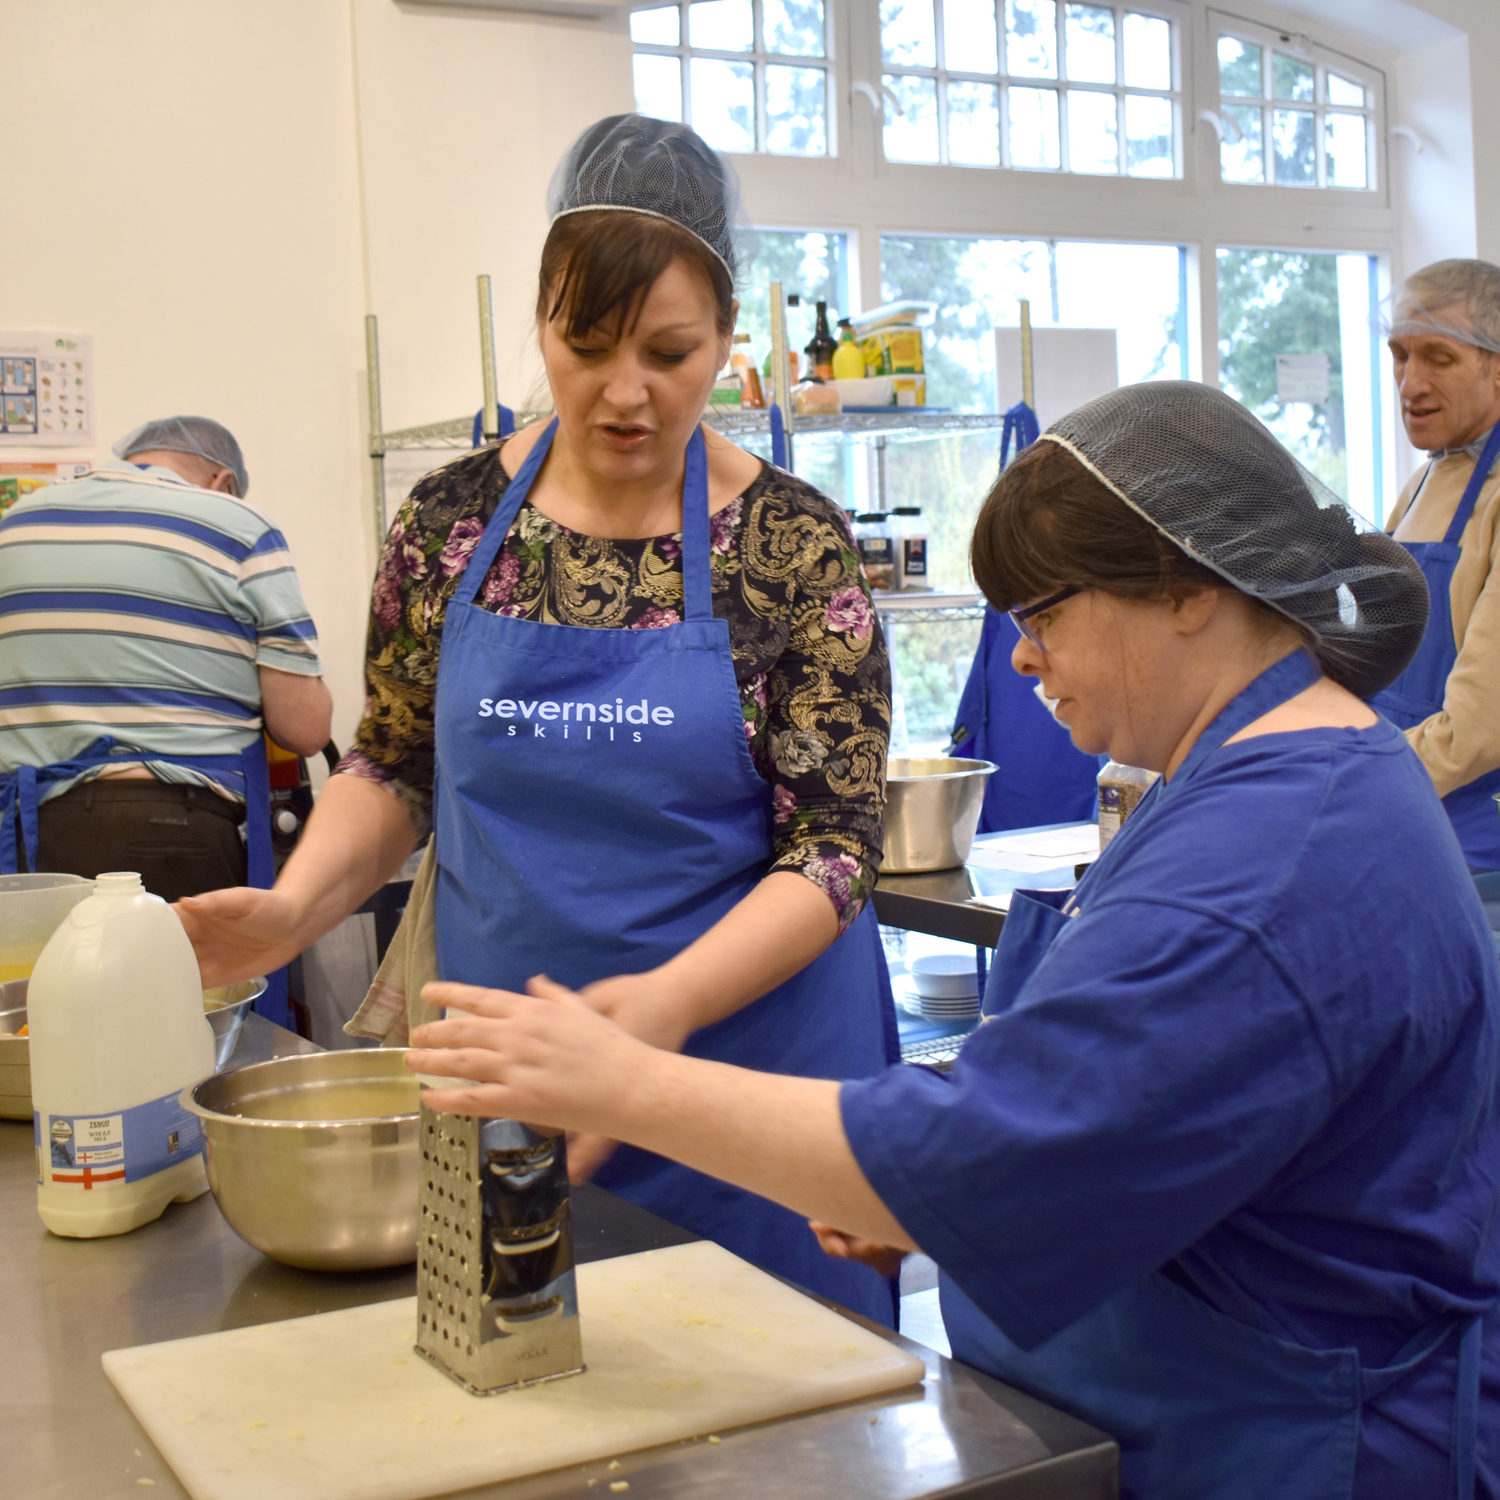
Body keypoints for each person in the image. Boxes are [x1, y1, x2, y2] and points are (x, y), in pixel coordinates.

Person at [404, 382, 1500, 1500]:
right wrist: (947, 1218)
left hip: (1290, 1449)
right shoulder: (1244, 779)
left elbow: (1003, 1146)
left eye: (1045, 614)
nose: (1020, 662)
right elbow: (1147, 1121)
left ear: (1183, 586)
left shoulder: (1266, 860)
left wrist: (624, 1083)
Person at [176, 115, 899, 1324]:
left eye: (671, 353)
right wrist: (295, 909)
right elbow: (397, 761)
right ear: (541, 316)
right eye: (586, 343)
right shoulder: (452, 522)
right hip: (513, 1087)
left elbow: (832, 850)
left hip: (747, 1090)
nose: (625, 394)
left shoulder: (789, 546)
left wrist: (657, 1017)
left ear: (728, 338)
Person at [0, 415, 331, 901]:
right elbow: (303, 729)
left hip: (28, 828)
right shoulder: (237, 524)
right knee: (182, 979)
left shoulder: (18, 521)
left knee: (47, 979)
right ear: (224, 481)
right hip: (172, 824)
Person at [1379, 257, 1500, 870]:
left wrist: (1359, 783)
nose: (1410, 384)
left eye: (1439, 358)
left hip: (1479, 839)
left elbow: (1479, 729)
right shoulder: (1424, 484)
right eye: (1401, 355)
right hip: (1406, 803)